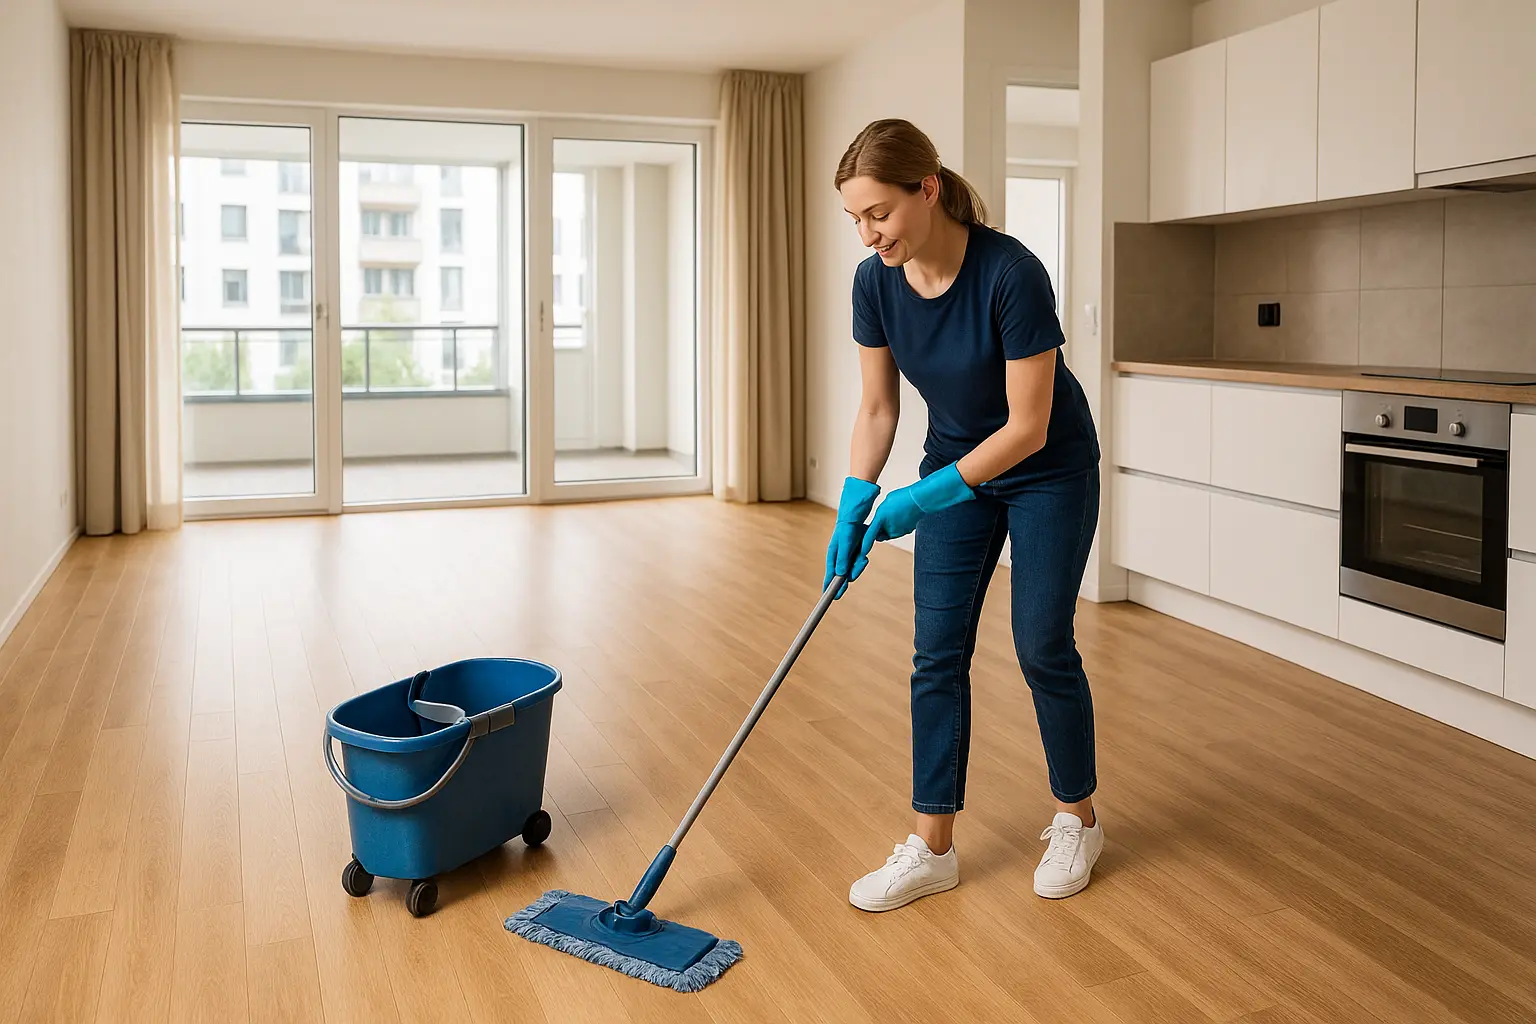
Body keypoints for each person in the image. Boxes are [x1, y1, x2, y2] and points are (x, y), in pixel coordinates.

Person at [823, 118, 1104, 911]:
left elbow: (1029, 426)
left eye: (878, 211)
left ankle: (1078, 817)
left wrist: (921, 496)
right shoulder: (874, 282)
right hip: (955, 466)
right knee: (935, 652)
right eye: (855, 218)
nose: (868, 231)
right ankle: (933, 848)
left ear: (928, 189)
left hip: (1047, 471)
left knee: (1042, 643)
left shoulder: (1010, 272)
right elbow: (878, 409)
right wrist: (854, 501)